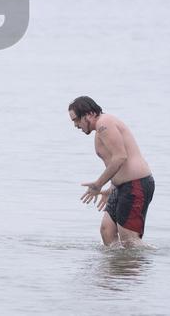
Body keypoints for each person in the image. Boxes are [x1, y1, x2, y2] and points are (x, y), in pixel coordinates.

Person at [68, 96, 155, 247]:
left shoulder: (104, 123)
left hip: (136, 184)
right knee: (107, 230)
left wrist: (98, 184)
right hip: (121, 187)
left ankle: (149, 260)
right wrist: (112, 188)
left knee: (129, 240)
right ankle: (118, 263)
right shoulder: (99, 129)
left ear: (89, 114)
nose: (76, 125)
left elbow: (120, 157)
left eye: (76, 120)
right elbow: (113, 162)